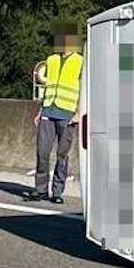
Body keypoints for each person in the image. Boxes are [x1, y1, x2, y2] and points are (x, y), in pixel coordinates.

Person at [31, 29, 82, 204]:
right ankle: (40, 190)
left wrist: (78, 112)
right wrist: (40, 111)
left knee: (62, 154)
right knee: (42, 152)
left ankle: (58, 191)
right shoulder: (51, 60)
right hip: (48, 110)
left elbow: (84, 89)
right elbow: (47, 87)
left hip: (67, 113)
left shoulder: (80, 61)